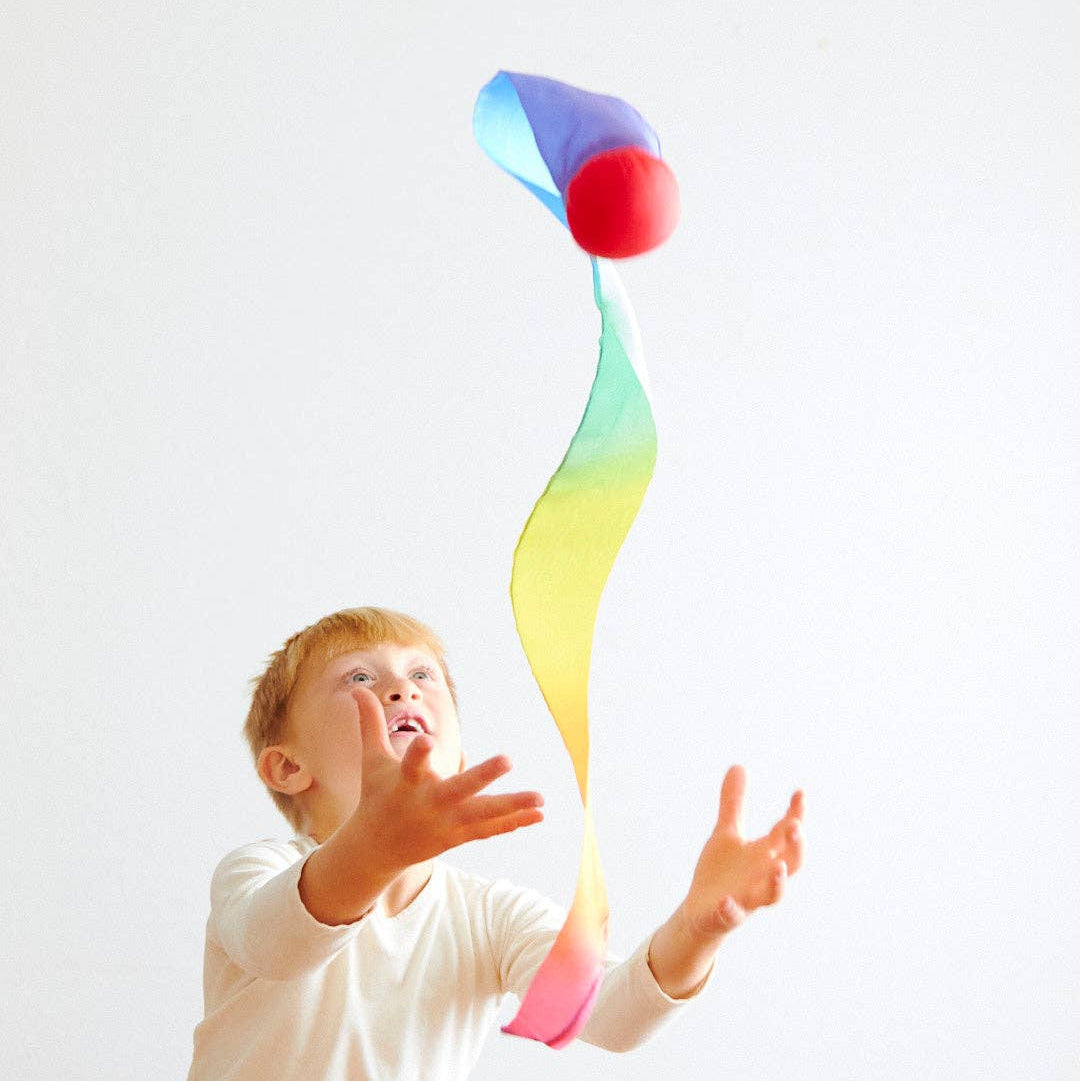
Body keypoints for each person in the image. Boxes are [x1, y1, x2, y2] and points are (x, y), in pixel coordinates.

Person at [186, 607, 805, 1080]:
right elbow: (279, 946)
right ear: (287, 767)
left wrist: (697, 928)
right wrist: (372, 852)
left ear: (457, 748)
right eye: (360, 677)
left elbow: (607, 1018)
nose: (403, 690)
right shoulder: (255, 871)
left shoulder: (490, 916)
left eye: (423, 674)